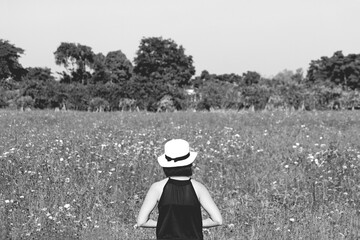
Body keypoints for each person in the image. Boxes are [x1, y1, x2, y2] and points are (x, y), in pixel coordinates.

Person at [136, 139, 223, 240]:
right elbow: (217, 220)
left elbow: (141, 221)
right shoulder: (199, 188)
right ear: (189, 164)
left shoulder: (157, 188)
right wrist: (189, 224)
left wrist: (166, 224)